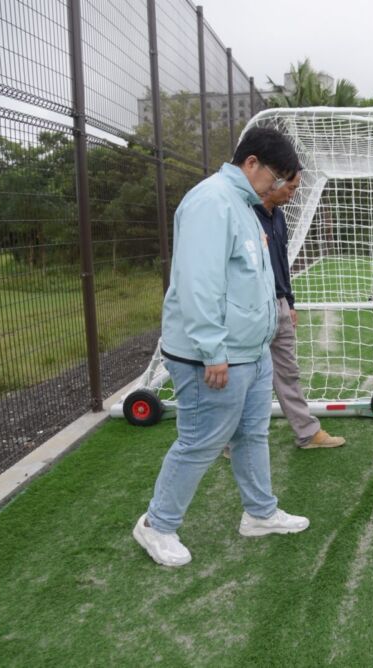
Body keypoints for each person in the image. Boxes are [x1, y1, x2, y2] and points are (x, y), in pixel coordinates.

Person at [133, 127, 309, 567]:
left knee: (252, 434)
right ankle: (157, 525)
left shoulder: (245, 205)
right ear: (251, 163)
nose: (279, 187)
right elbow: (198, 282)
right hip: (212, 357)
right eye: (277, 176)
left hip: (251, 350)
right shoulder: (211, 202)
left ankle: (260, 513)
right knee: (199, 442)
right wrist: (213, 350)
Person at [256, 171, 346, 449]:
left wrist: (289, 302)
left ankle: (307, 433)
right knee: (248, 378)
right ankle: (231, 443)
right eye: (292, 187)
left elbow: (282, 261)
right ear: (275, 181)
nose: (294, 194)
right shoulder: (245, 215)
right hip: (253, 308)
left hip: (280, 305)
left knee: (288, 371)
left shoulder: (279, 218)